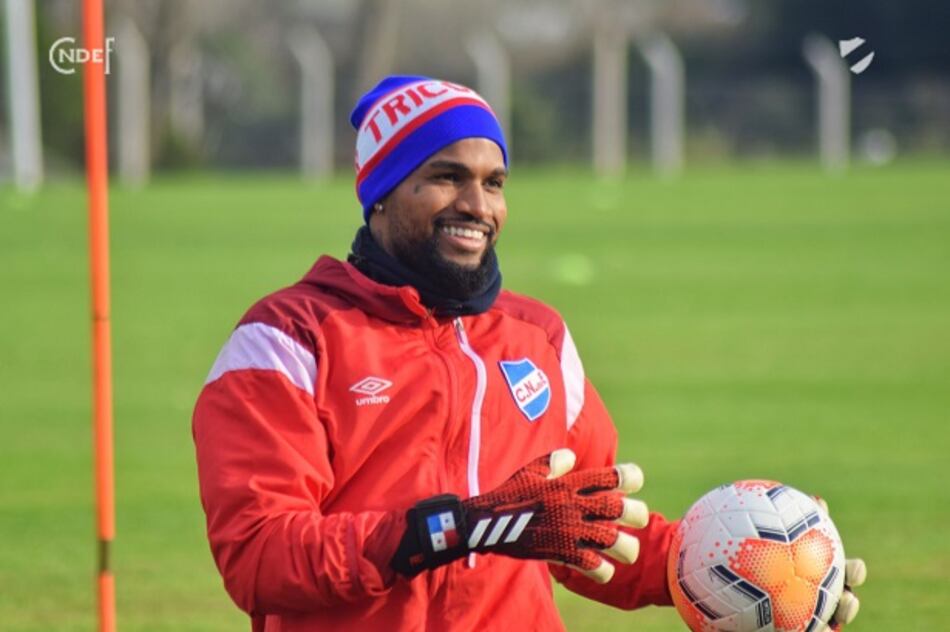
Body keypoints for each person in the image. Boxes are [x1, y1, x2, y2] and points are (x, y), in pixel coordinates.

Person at [193, 76, 864, 631]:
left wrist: (754, 575)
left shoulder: (538, 337)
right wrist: (457, 527)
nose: (476, 204)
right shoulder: (286, 340)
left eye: (494, 181)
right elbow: (260, 557)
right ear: (382, 191)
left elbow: (591, 530)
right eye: (446, 177)